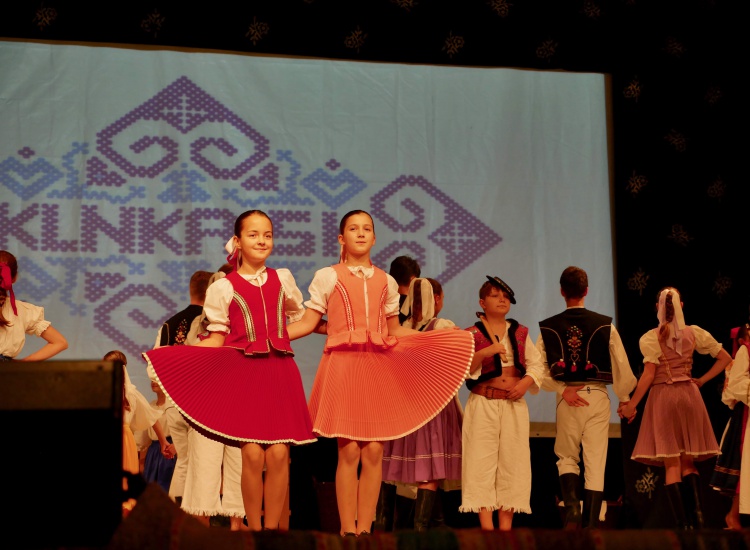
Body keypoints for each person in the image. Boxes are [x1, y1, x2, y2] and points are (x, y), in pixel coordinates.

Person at [287, 209, 473, 537]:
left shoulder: (386, 281)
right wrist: (268, 336)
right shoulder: (327, 276)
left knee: (374, 450)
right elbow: (308, 322)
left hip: (376, 367)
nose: (361, 233)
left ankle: (365, 530)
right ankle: (347, 531)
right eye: (353, 228)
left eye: (367, 229)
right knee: (348, 450)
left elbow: (394, 330)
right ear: (341, 238)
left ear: (374, 238)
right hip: (344, 366)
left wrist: (439, 339)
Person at [144, 210, 316, 531]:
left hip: (280, 373)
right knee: (252, 456)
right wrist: (174, 356)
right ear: (237, 241)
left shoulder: (283, 279)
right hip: (245, 376)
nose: (262, 240)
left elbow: (300, 321)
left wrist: (284, 334)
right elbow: (216, 338)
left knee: (279, 456)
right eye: (253, 234)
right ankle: (253, 532)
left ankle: (271, 534)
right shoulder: (224, 287)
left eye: (267, 234)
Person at [620, 287, 731, 529]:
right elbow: (725, 358)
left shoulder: (650, 337)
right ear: (681, 306)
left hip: (664, 397)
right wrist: (702, 380)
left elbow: (649, 375)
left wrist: (631, 405)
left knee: (672, 464)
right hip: (690, 396)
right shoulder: (694, 332)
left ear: (657, 308)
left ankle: (683, 526)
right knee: (688, 462)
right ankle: (698, 520)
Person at [537, 266, 636, 529]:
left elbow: (537, 370)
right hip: (597, 396)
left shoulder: (548, 327)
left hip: (569, 395)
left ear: (561, 292)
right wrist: (625, 398)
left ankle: (572, 511)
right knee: (595, 461)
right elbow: (621, 364)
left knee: (567, 456)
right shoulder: (605, 324)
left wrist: (562, 390)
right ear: (587, 291)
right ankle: (590, 527)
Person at [459, 276, 545, 530]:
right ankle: (488, 531)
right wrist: (485, 352)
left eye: (506, 296)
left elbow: (537, 364)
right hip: (483, 402)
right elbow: (463, 370)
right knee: (480, 463)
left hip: (513, 404)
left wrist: (525, 383)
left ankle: (505, 531)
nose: (502, 300)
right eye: (495, 295)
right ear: (482, 302)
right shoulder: (472, 334)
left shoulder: (519, 332)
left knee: (513, 463)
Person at [382, 277, 463, 531]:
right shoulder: (442, 326)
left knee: (409, 471)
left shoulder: (400, 328)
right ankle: (419, 532)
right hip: (434, 406)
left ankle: (400, 530)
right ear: (436, 299)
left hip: (406, 406)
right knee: (429, 470)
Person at [151, 269, 212, 505]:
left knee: (184, 461)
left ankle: (178, 515)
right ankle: (202, 517)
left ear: (190, 290)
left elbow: (154, 369)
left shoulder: (170, 324)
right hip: (201, 404)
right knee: (203, 464)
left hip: (174, 403)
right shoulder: (213, 324)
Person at [375, 255, 423, 531]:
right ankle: (402, 529)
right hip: (407, 391)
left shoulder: (380, 303)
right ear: (415, 279)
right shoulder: (417, 310)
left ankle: (380, 526)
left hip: (382, 387)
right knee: (406, 463)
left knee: (381, 460)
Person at [105, 350, 170, 516]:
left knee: (122, 483)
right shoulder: (102, 389)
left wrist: (163, 441)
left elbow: (151, 417)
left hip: (123, 441)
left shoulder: (130, 393)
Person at [710, 323, 749, 530]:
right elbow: (730, 393)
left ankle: (733, 516)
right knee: (743, 467)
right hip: (744, 415)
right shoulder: (742, 354)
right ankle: (733, 516)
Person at [0, 250, 68, 362]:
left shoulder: (23, 310)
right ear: (14, 278)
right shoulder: (24, 310)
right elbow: (60, 342)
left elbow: (61, 343)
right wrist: (23, 365)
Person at [135, 378, 178, 495]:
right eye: (152, 379)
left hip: (171, 450)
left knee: (168, 488)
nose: (153, 382)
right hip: (153, 452)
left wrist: (177, 446)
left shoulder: (174, 406)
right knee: (151, 490)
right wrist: (141, 462)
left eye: (157, 379)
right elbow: (142, 437)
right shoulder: (151, 406)